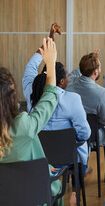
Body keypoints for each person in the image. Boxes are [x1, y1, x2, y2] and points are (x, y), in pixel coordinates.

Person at [0, 38, 76, 206]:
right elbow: (49, 98)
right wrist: (50, 63)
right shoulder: (23, 125)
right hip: (31, 195)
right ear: (12, 98)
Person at [22, 23, 91, 178]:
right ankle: (75, 191)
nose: (68, 78)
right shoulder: (72, 99)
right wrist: (70, 140)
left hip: (39, 158)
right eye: (67, 76)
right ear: (60, 81)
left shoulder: (30, 92)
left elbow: (30, 67)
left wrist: (48, 44)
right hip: (69, 159)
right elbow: (84, 133)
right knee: (83, 145)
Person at [66, 50, 105, 174]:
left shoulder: (69, 85)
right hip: (92, 135)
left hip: (70, 135)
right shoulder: (101, 93)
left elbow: (75, 72)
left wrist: (88, 60)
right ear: (96, 72)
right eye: (99, 67)